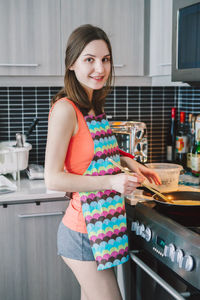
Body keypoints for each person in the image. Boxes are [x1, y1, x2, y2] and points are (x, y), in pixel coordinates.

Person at [45, 24, 161, 300]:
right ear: (72, 63)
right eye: (89, 59)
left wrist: (129, 162)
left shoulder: (93, 105)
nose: (100, 68)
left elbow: (91, 153)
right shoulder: (65, 109)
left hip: (100, 229)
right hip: (83, 233)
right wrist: (112, 180)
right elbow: (53, 178)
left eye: (105, 59)